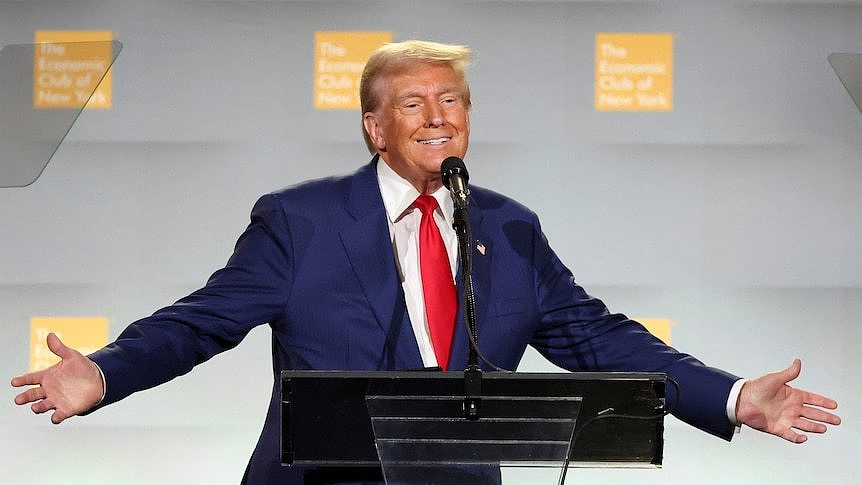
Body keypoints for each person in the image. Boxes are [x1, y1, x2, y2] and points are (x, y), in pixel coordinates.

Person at [11, 40, 840, 484]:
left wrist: (729, 394)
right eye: (413, 102)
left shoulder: (508, 228)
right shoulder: (301, 219)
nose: (438, 116)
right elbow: (203, 320)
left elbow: (600, 339)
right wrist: (109, 373)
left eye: (453, 100)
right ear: (375, 127)